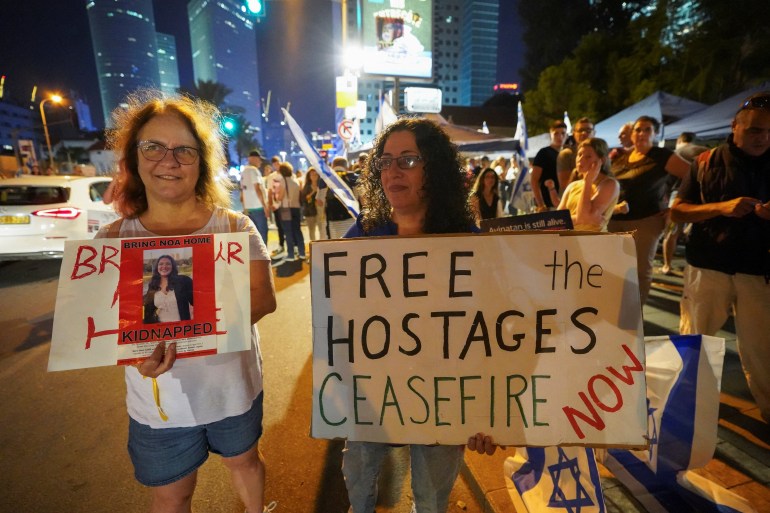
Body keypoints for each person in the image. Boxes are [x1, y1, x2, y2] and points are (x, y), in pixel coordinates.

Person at [97, 91, 277, 513]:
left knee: (244, 462)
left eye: (184, 150)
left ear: (202, 162)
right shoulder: (111, 241)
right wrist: (132, 355)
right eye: (153, 147)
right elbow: (103, 329)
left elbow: (264, 299)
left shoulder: (234, 227)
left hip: (232, 389)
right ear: (134, 157)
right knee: (172, 493)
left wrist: (195, 331)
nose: (169, 161)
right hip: (158, 399)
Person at [341, 117, 496, 512]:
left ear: (436, 168)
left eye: (408, 160)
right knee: (359, 488)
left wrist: (486, 411)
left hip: (445, 396)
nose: (393, 171)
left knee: (430, 499)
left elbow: (489, 334)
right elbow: (337, 314)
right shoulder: (362, 235)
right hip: (374, 392)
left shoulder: (468, 243)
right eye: (385, 161)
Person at [671, 92, 770, 422]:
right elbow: (678, 212)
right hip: (709, 264)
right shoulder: (706, 162)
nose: (762, 138)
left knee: (762, 349)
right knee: (697, 338)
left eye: (769, 131)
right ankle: (691, 406)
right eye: (755, 130)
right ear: (736, 126)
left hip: (759, 269)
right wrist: (721, 208)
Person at [607, 115, 690, 304]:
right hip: (615, 220)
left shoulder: (662, 155)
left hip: (645, 222)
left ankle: (633, 317)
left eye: (647, 130)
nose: (642, 133)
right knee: (615, 270)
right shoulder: (621, 157)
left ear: (655, 133)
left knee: (639, 271)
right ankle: (614, 311)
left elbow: (691, 176)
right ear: (632, 133)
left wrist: (675, 206)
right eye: (638, 129)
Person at [659, 132, 709, 275]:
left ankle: (667, 265)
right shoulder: (705, 151)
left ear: (680, 140)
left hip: (679, 195)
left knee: (671, 232)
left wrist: (665, 202)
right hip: (701, 197)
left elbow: (666, 182)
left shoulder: (676, 153)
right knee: (696, 229)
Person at [556, 138, 619, 232]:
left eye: (588, 156)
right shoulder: (573, 186)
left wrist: (588, 181)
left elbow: (584, 216)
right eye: (579, 154)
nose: (580, 159)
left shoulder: (609, 184)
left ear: (601, 160)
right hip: (570, 241)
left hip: (593, 242)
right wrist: (580, 219)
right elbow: (556, 221)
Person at [143, 255, 193, 324]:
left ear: (173, 267)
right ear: (157, 267)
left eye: (168, 264)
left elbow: (197, 302)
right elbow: (148, 310)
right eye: (161, 264)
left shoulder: (184, 281)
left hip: (182, 328)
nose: (164, 266)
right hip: (161, 329)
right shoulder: (153, 286)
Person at [318, 156, 358, 239]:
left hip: (333, 221)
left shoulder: (325, 179)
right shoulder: (353, 177)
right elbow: (362, 198)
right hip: (351, 218)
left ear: (332, 166)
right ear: (346, 166)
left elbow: (320, 201)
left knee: (336, 246)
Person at [531, 120, 567, 211]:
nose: (560, 136)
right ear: (550, 135)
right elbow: (534, 180)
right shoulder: (544, 153)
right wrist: (541, 204)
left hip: (566, 203)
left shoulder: (568, 154)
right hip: (549, 205)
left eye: (563, 133)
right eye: (556, 134)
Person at [273, 161, 306, 261]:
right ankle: (302, 253)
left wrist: (276, 196)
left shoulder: (283, 181)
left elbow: (280, 197)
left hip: (286, 209)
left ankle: (290, 255)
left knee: (288, 232)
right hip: (296, 208)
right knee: (297, 230)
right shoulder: (295, 181)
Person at [556, 117, 595, 191]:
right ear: (574, 133)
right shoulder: (566, 155)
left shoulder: (600, 153)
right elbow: (565, 187)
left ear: (594, 133)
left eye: (588, 130)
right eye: (580, 130)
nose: (584, 133)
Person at [240, 150, 270, 246]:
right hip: (258, 207)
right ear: (253, 159)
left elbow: (242, 192)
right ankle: (264, 257)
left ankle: (255, 257)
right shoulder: (254, 170)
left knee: (253, 235)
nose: (260, 162)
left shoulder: (243, 171)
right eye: (259, 160)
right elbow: (257, 189)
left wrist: (245, 208)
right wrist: (265, 207)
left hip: (249, 209)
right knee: (262, 233)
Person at [301, 166, 326, 241]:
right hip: (310, 211)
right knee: (311, 230)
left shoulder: (321, 185)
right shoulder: (306, 186)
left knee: (321, 229)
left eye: (316, 174)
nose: (314, 176)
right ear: (309, 176)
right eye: (312, 174)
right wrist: (313, 192)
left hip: (320, 211)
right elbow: (304, 199)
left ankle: (321, 245)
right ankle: (313, 245)